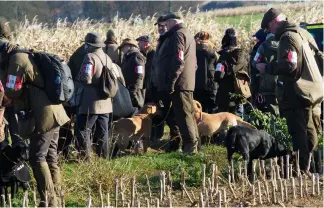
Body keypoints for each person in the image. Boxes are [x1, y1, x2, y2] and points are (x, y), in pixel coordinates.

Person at [0, 41, 70, 207]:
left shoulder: (16, 60)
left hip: (43, 114)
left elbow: (11, 90)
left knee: (37, 157)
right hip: (55, 111)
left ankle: (49, 201)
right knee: (50, 155)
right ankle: (57, 199)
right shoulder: (25, 54)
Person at [256, 8, 320, 173]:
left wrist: (267, 68)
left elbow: (289, 65)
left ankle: (304, 169)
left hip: (297, 92)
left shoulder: (287, 37)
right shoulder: (302, 33)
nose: (269, 31)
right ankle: (315, 167)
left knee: (299, 132)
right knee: (310, 129)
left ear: (273, 22)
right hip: (312, 89)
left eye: (268, 27)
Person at [155, 13, 199, 154]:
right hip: (186, 82)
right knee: (188, 115)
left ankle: (190, 149)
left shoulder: (178, 35)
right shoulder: (187, 34)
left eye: (167, 23)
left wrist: (171, 83)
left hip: (180, 84)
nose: (165, 26)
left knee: (184, 116)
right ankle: (195, 146)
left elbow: (178, 61)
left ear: (173, 22)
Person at [75, 32, 113, 161]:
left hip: (90, 102)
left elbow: (86, 78)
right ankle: (105, 157)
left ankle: (86, 159)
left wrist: (77, 77)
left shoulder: (89, 57)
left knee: (82, 130)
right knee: (103, 131)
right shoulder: (107, 57)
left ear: (89, 45)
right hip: (106, 101)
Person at [215, 28, 248, 117]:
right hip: (240, 92)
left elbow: (218, 76)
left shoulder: (224, 58)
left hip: (225, 95)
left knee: (225, 120)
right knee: (239, 119)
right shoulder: (242, 56)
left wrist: (222, 59)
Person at [0, 22, 21, 147]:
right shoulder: (12, 47)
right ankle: (20, 151)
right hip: (11, 88)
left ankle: (4, 149)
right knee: (14, 119)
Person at [150, 15, 168, 144]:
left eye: (163, 25)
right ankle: (157, 136)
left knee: (166, 112)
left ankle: (163, 137)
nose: (160, 28)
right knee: (158, 110)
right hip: (157, 84)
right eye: (159, 26)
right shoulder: (161, 41)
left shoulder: (170, 40)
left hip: (166, 84)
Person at [252, 31, 280, 116]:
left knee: (271, 113)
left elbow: (255, 63)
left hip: (267, 85)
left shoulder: (263, 46)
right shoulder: (284, 43)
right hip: (283, 83)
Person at [194, 31, 219, 113]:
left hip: (196, 84)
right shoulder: (212, 51)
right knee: (210, 109)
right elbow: (217, 65)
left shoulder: (193, 51)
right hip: (210, 84)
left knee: (198, 109)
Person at [119, 38, 146, 109]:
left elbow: (139, 75)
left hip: (134, 92)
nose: (122, 49)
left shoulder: (137, 56)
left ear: (130, 46)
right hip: (128, 89)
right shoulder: (127, 57)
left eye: (123, 47)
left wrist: (134, 90)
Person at [136, 35, 155, 103]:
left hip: (152, 89)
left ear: (146, 44)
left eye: (140, 42)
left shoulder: (154, 55)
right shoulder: (140, 55)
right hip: (144, 88)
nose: (138, 44)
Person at [249, 28, 267, 102]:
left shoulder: (260, 47)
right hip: (258, 76)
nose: (255, 39)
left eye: (257, 37)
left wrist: (252, 53)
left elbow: (256, 61)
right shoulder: (262, 46)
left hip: (258, 76)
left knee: (258, 95)